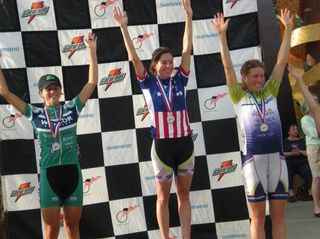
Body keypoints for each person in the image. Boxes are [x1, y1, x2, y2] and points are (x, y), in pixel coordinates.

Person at [0, 32, 98, 238]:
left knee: (73, 226)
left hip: (72, 173)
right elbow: (5, 92)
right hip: (49, 175)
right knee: (51, 230)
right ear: (41, 93)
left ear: (61, 92)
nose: (52, 92)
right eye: (48, 89)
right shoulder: (34, 113)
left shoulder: (72, 108)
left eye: (55, 89)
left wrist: (91, 51)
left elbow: (91, 84)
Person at [113, 1, 194, 238]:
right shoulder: (147, 83)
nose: (169, 65)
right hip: (162, 147)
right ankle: (166, 236)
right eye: (164, 62)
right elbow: (133, 56)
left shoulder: (181, 79)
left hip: (185, 144)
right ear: (155, 66)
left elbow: (187, 49)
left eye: (171, 62)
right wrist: (123, 28)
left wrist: (188, 17)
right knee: (162, 197)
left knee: (185, 195)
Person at [212, 9, 293, 239]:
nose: (259, 79)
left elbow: (281, 61)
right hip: (252, 164)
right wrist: (221, 36)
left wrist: (288, 31)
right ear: (245, 78)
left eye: (261, 75)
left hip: (278, 161)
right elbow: (227, 67)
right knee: (257, 219)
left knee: (278, 218)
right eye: (254, 76)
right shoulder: (238, 96)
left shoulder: (271, 91)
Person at [288, 62, 320, 217]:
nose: (317, 103)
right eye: (314, 102)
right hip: (314, 148)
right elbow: (314, 133)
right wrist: (300, 80)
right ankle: (317, 207)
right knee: (317, 178)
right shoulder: (306, 119)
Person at [283, 123, 312, 202]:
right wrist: (291, 153)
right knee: (287, 171)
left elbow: (308, 153)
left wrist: (299, 151)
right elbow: (281, 154)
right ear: (288, 132)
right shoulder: (284, 141)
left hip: (301, 163)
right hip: (289, 163)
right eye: (293, 129)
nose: (295, 131)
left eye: (296, 129)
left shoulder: (302, 141)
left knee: (307, 169)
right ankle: (291, 193)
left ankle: (310, 192)